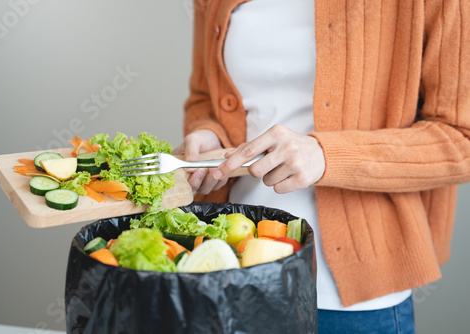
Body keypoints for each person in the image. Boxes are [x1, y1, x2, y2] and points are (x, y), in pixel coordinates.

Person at [174, 0, 470, 332]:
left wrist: (327, 155)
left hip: (350, 298)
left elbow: (461, 136)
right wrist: (209, 133)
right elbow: (204, 96)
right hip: (227, 269)